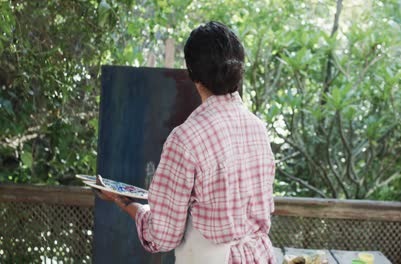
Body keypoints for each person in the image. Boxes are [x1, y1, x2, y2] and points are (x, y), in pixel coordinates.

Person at [96, 21, 276, 264]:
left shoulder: (186, 139)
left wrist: (125, 202)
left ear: (192, 73)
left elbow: (163, 235)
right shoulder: (258, 129)